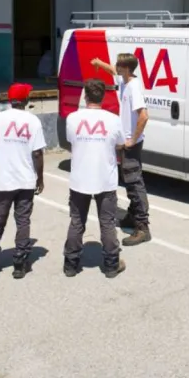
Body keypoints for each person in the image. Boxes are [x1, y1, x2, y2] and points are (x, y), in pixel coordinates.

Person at [0, 83, 46, 279]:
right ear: (25, 100)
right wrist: (40, 178)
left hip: (2, 180)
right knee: (23, 220)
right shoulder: (33, 121)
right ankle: (20, 262)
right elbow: (38, 154)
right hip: (25, 181)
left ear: (11, 100)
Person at [64, 78, 126, 278]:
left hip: (80, 178)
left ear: (85, 95)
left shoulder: (72, 118)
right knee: (107, 222)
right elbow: (120, 145)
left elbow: (70, 141)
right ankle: (111, 265)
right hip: (105, 179)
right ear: (103, 96)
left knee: (76, 221)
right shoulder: (114, 119)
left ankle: (71, 265)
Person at [91, 53, 151, 246]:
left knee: (134, 184)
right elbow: (111, 70)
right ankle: (133, 215)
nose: (115, 66)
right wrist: (99, 63)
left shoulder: (134, 88)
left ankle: (142, 227)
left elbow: (144, 116)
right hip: (126, 143)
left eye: (118, 65)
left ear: (125, 68)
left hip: (130, 144)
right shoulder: (125, 80)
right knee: (129, 181)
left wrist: (132, 139)